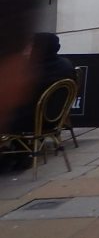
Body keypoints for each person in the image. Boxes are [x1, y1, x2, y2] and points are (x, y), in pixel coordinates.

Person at [2, 33, 76, 171]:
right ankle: (19, 152)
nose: (28, 49)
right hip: (54, 120)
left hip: (34, 121)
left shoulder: (35, 71)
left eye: (31, 46)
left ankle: (16, 153)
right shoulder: (65, 64)